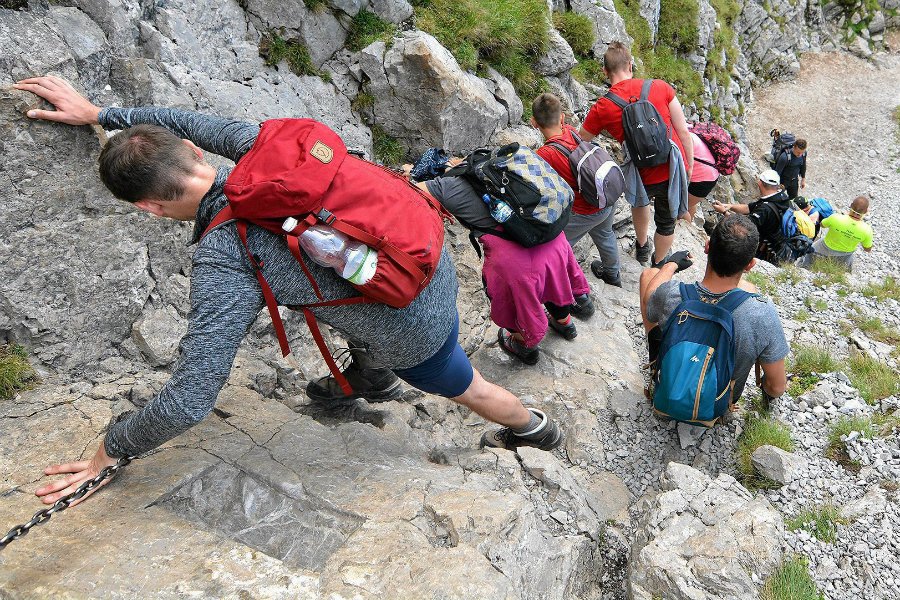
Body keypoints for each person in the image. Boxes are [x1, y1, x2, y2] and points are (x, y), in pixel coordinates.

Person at [14, 76, 566, 507]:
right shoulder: (262, 148)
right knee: (351, 311)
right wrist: (103, 114)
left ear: (150, 208)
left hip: (410, 329)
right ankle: (369, 379)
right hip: (425, 257)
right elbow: (185, 119)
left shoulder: (224, 254)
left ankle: (534, 429)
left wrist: (109, 451)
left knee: (468, 387)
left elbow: (190, 398)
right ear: (197, 153)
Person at [416, 173, 591, 364]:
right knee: (553, 281)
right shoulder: (497, 169)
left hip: (516, 262)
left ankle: (525, 346)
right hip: (551, 238)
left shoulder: (444, 186)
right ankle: (565, 323)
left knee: (514, 302)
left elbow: (415, 191)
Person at [639, 214, 788, 409]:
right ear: (750, 264)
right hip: (718, 404)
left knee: (649, 274)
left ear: (707, 247)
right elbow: (777, 387)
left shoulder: (671, 294)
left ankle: (656, 362)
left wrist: (671, 264)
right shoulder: (762, 312)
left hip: (668, 388)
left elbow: (650, 295)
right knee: (748, 289)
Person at [578, 41, 694, 267]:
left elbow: (581, 140)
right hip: (670, 167)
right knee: (666, 221)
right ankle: (659, 263)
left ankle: (642, 247)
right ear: (630, 65)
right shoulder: (661, 87)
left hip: (639, 171)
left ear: (605, 71)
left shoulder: (603, 106)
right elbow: (683, 132)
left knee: (639, 203)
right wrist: (688, 168)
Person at [531, 92, 622, 288]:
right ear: (562, 117)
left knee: (558, 247)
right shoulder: (571, 131)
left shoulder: (545, 154)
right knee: (605, 234)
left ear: (533, 123)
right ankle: (612, 275)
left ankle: (568, 288)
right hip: (606, 197)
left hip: (585, 210)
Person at [712, 169, 791, 265]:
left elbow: (743, 225)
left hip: (765, 248)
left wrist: (724, 212)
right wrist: (730, 206)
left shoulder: (765, 209)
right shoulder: (780, 197)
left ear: (761, 183)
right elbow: (749, 207)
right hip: (777, 242)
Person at [797, 196, 874, 271]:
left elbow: (822, 225)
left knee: (809, 250)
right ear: (866, 212)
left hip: (825, 248)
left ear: (850, 205)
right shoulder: (867, 230)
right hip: (845, 256)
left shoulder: (835, 217)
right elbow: (867, 249)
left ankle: (801, 267)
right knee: (850, 259)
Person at [686, 130, 720, 221]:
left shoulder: (682, 138)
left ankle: (685, 227)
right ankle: (688, 224)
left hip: (705, 179)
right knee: (689, 203)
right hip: (711, 171)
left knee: (681, 208)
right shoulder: (686, 130)